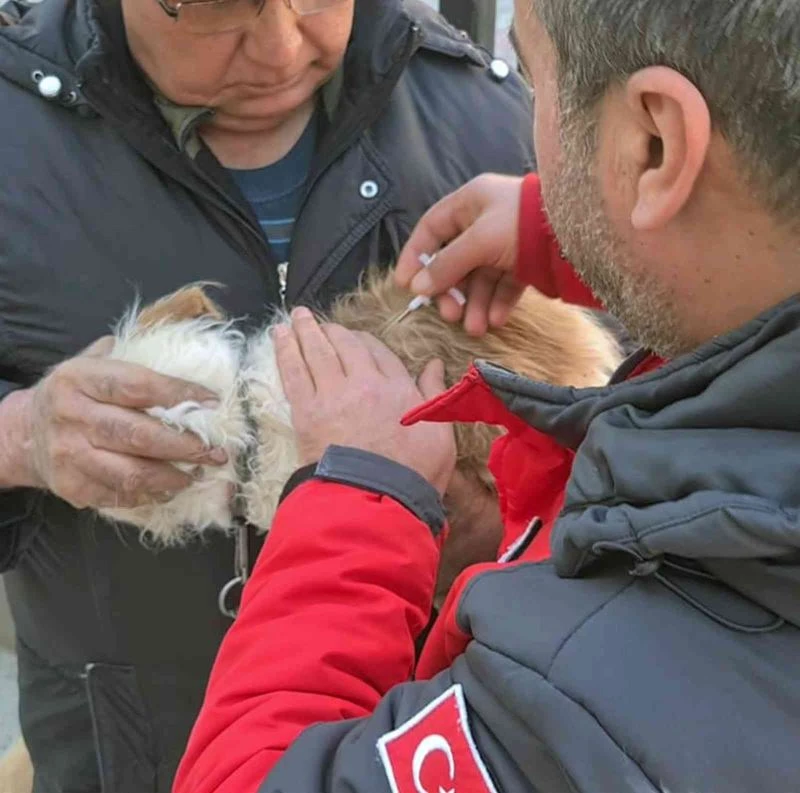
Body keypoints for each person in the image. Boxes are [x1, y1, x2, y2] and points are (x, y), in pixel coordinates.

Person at [175, 0, 800, 791]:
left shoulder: (579, 695)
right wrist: (590, 230)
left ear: (656, 143)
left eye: (536, 85)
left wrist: (361, 500)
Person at [0, 0, 536, 788]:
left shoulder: (491, 121)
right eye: (222, 10)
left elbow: (617, 458)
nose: (283, 47)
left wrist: (495, 525)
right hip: (117, 757)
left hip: (422, 753)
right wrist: (22, 434)